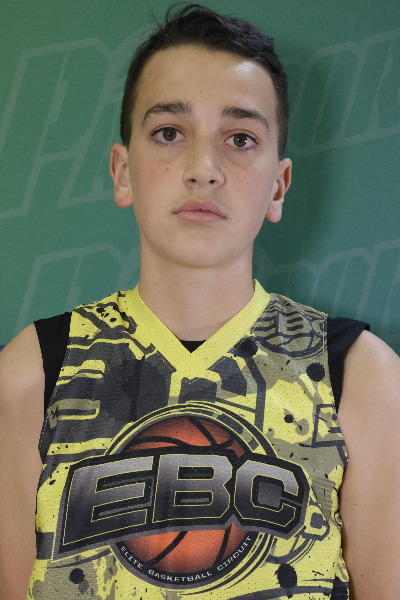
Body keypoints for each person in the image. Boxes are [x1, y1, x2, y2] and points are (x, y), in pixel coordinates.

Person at [1, 4, 400, 599]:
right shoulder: (33, 372)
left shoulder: (361, 376)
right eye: (169, 132)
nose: (203, 168)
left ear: (278, 185)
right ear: (123, 172)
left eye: (240, 139)